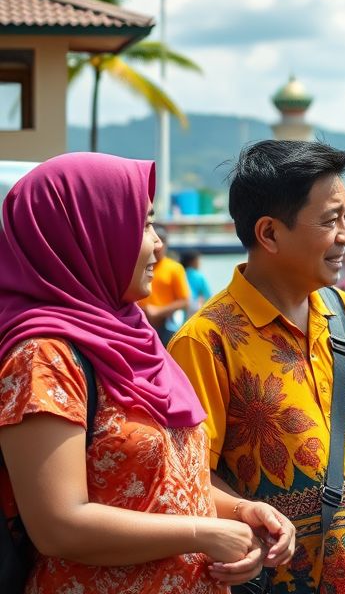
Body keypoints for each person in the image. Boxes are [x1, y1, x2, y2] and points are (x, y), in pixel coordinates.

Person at [0, 153, 294, 593]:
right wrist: (202, 533)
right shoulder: (44, 358)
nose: (158, 245)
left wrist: (238, 512)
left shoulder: (137, 337)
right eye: (142, 224)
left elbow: (160, 486)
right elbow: (58, 524)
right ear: (84, 233)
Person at [168, 140, 345, 594]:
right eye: (331, 220)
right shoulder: (206, 340)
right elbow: (190, 475)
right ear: (270, 234)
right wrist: (243, 517)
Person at [138, 223, 191, 342]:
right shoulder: (139, 266)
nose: (159, 246)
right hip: (140, 323)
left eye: (163, 241)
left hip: (165, 325)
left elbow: (184, 301)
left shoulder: (174, 268)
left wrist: (158, 311)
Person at [182, 250, 212, 315]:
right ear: (193, 261)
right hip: (196, 312)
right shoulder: (199, 276)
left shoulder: (181, 274)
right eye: (198, 260)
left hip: (184, 311)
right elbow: (208, 297)